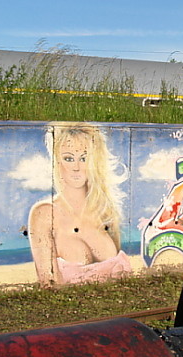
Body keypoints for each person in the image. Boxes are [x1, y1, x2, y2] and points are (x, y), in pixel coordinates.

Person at [28, 122, 130, 286]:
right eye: (68, 158)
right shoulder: (45, 214)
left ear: (95, 162)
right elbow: (48, 283)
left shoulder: (105, 210)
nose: (76, 167)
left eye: (84, 158)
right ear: (57, 161)